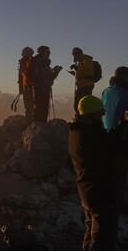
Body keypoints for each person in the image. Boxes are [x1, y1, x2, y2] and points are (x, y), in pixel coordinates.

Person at [68, 95, 116, 250]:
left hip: (86, 189)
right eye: (100, 112)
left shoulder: (76, 131)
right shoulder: (92, 134)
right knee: (100, 236)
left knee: (90, 231)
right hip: (98, 191)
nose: (102, 115)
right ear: (92, 114)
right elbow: (110, 150)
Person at [101, 66, 128, 248]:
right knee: (118, 184)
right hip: (121, 142)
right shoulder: (126, 94)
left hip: (105, 140)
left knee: (110, 182)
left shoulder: (106, 90)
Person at [29, 46, 62, 122]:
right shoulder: (37, 62)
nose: (49, 53)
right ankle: (38, 127)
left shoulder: (43, 63)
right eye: (48, 52)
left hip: (44, 88)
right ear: (42, 52)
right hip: (40, 88)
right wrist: (55, 72)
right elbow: (40, 76)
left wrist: (56, 72)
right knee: (40, 109)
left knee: (43, 109)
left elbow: (47, 77)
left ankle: (41, 126)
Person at [70, 48, 97, 115]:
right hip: (84, 85)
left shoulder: (86, 60)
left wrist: (77, 69)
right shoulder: (82, 60)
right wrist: (76, 72)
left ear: (78, 54)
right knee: (80, 104)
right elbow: (83, 73)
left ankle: (82, 119)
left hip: (85, 86)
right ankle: (82, 118)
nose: (74, 56)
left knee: (80, 105)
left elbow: (88, 73)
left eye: (74, 54)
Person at [18, 47, 34, 122]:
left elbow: (20, 77)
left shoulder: (22, 63)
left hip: (26, 87)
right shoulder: (30, 62)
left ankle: (28, 121)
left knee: (28, 106)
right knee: (30, 106)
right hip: (30, 87)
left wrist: (20, 89)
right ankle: (30, 121)